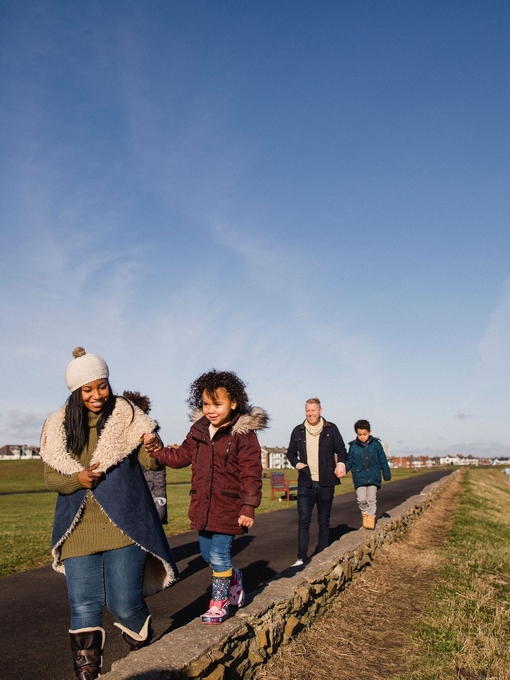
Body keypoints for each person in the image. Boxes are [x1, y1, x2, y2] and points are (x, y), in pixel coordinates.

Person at [39, 347, 178, 680]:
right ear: (76, 391)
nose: (97, 395)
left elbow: (151, 464)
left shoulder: (127, 418)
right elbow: (50, 477)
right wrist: (78, 479)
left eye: (101, 386)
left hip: (123, 526)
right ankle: (87, 672)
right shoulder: (58, 426)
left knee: (124, 603)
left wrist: (153, 449)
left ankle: (141, 640)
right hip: (77, 530)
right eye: (88, 389)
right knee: (84, 605)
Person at [145, 369, 268, 625]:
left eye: (217, 404)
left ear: (233, 403)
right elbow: (179, 458)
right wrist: (157, 450)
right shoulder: (198, 430)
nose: (211, 409)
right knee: (206, 555)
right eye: (206, 404)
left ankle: (218, 603)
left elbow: (251, 473)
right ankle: (234, 577)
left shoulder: (243, 435)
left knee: (220, 556)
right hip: (202, 506)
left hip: (229, 507)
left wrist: (248, 506)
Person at [286, 398, 347, 567]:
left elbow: (341, 449)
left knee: (324, 520)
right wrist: (297, 464)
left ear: (320, 410)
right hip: (306, 483)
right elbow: (290, 453)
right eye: (307, 410)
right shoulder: (298, 431)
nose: (310, 413)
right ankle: (300, 558)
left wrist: (341, 463)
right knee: (303, 520)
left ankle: (322, 555)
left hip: (326, 482)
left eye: (313, 410)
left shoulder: (331, 429)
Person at [122, 391, 168, 524]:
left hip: (149, 495)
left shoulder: (151, 437)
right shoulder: (122, 436)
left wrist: (160, 500)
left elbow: (158, 471)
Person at [345, 419, 391, 530]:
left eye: (364, 434)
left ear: (369, 432)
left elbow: (382, 459)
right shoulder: (353, 446)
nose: (362, 437)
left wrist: (386, 473)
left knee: (371, 499)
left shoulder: (376, 445)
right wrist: (343, 470)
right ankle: (365, 513)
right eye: (359, 434)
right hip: (359, 476)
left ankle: (371, 518)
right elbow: (349, 460)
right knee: (361, 499)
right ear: (356, 433)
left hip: (373, 476)